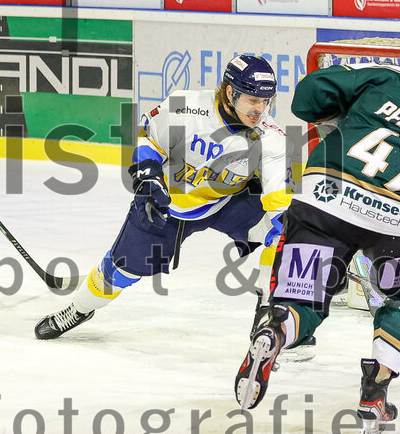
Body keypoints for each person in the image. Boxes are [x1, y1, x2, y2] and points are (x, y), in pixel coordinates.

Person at [233, 44, 400, 434]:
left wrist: (341, 116)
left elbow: (307, 97)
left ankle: (277, 330)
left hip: (325, 193)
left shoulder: (388, 77)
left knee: (304, 297)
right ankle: (375, 392)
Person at [35, 55, 291, 340]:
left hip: (225, 203)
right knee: (120, 272)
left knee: (287, 234)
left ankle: (271, 310)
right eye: (252, 101)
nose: (260, 109)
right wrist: (148, 178)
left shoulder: (272, 138)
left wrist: (295, 230)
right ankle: (78, 308)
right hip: (165, 201)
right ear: (231, 93)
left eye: (266, 101)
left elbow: (279, 201)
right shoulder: (185, 104)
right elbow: (149, 140)